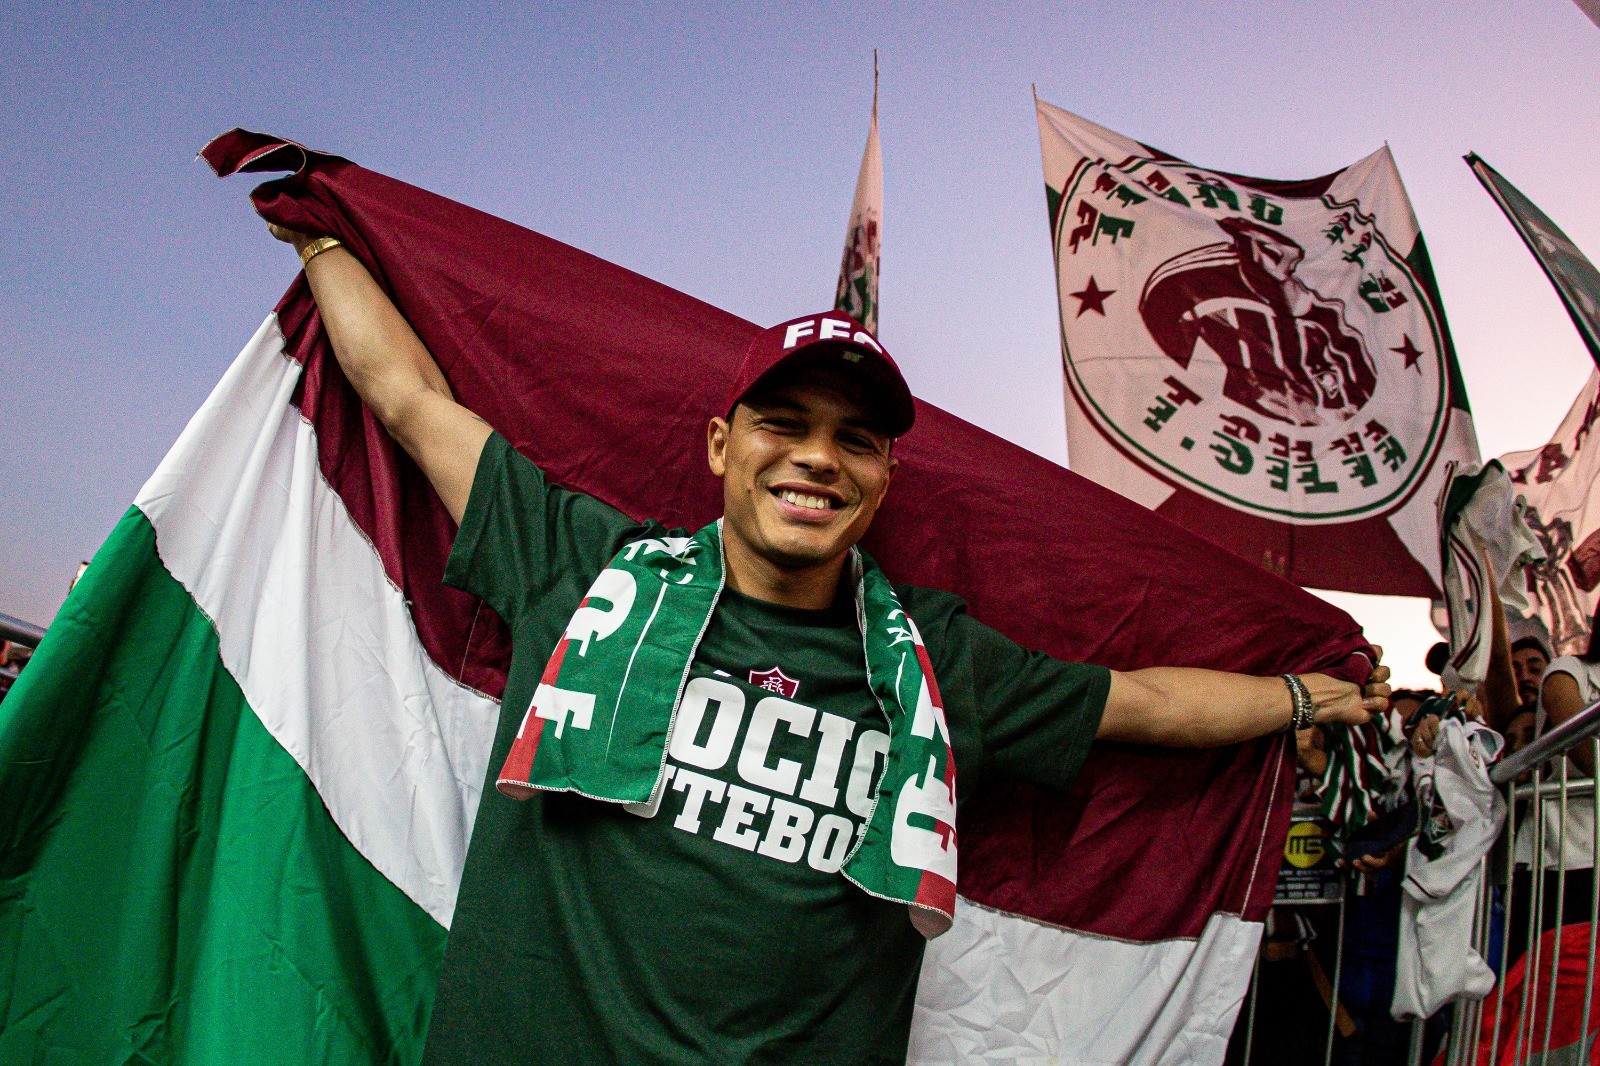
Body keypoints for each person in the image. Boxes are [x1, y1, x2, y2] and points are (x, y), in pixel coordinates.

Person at [267, 225, 1391, 1063]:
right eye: (784, 423)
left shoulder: (933, 659)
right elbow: (407, 399)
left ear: (883, 480)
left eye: (853, 440)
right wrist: (326, 229)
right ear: (720, 444)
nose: (816, 457)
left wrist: (1303, 696)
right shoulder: (586, 568)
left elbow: (1143, 702)